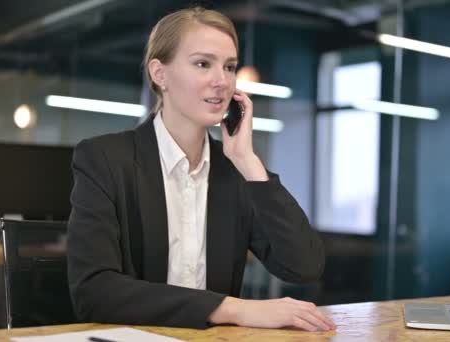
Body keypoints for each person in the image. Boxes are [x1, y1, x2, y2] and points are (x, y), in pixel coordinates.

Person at [66, 6, 335, 332]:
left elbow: (304, 266)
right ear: (159, 74)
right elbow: (94, 291)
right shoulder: (105, 159)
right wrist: (234, 309)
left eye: (230, 67)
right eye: (202, 64)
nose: (221, 81)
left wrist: (249, 163)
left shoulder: (235, 169)